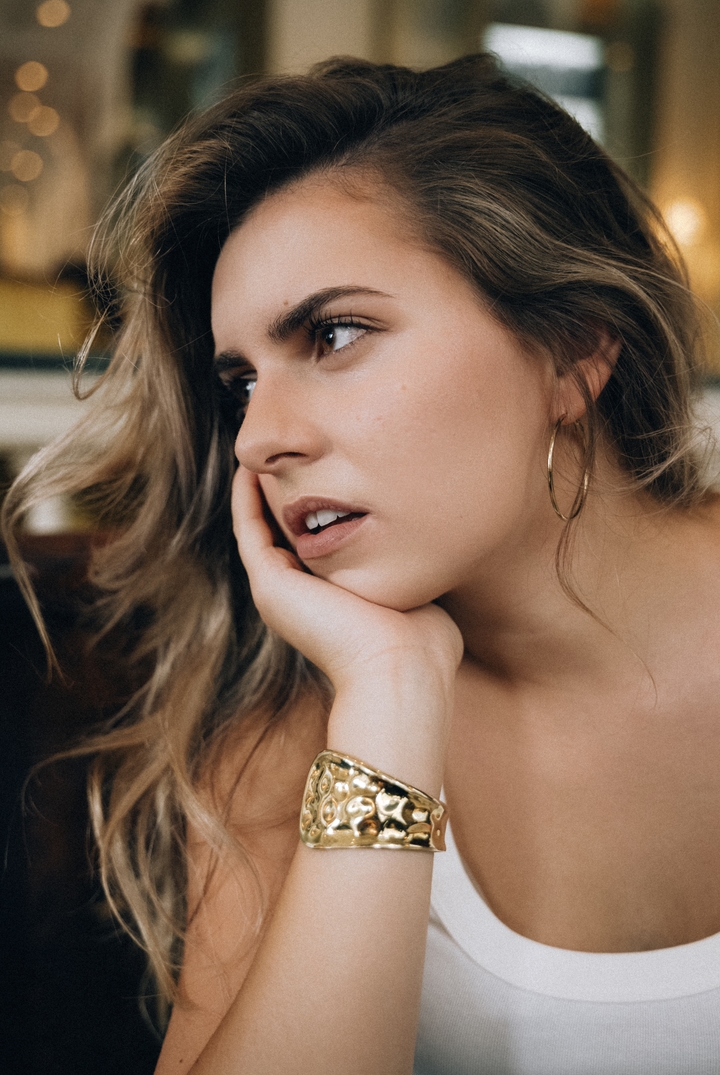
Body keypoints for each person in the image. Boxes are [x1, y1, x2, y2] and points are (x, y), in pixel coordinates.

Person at [5, 53, 720, 1075]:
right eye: (240, 383)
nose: (261, 440)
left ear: (572, 348)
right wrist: (390, 700)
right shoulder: (289, 749)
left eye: (335, 334)